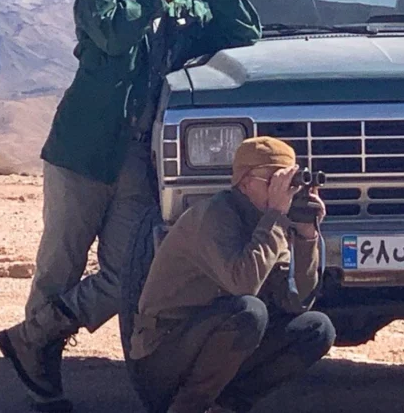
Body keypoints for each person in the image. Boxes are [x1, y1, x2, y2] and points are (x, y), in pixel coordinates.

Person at [0, 0, 262, 412]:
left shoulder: (181, 9)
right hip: (82, 152)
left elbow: (244, 34)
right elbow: (116, 36)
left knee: (126, 274)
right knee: (60, 264)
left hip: (136, 161)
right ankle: (42, 377)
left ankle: (33, 337)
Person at [129, 136, 335, 413]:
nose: (284, 191)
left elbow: (296, 301)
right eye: (274, 181)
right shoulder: (215, 215)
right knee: (249, 311)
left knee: (317, 328)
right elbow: (243, 284)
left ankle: (227, 407)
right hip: (163, 354)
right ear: (245, 182)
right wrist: (275, 216)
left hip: (210, 351)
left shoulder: (268, 223)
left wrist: (307, 236)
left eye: (289, 183)